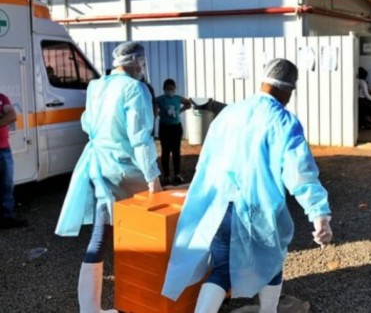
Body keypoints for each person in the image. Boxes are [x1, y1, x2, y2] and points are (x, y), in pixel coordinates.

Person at [161, 58, 333, 313]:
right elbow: (300, 173)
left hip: (219, 206)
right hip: (258, 209)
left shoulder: (231, 112)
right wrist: (319, 214)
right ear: (288, 89)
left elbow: (207, 158)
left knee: (222, 269)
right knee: (270, 263)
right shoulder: (284, 121)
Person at [55, 41, 162, 313]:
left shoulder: (96, 86)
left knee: (100, 236)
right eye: (142, 63)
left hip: (98, 165)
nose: (143, 68)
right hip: (125, 170)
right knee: (145, 232)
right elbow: (140, 138)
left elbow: (87, 123)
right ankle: (146, 295)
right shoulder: (135, 89)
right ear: (136, 62)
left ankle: (89, 308)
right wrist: (153, 177)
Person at [0, 93, 28, 229]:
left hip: (4, 148)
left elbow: (12, 116)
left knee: (7, 185)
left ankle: (7, 218)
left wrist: (4, 117)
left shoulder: (2, 98)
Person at [156, 78, 191, 185]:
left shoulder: (177, 98)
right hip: (165, 127)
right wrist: (158, 112)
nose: (170, 91)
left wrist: (180, 111)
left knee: (176, 151)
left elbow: (188, 103)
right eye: (168, 89)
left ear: (175, 89)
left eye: (172, 89)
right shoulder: (161, 99)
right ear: (164, 89)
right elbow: (152, 103)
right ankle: (166, 176)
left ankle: (177, 174)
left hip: (176, 127)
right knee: (165, 152)